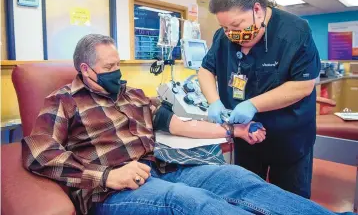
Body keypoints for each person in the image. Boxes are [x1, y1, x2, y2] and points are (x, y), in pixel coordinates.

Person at [22, 34, 349, 215]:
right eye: (109, 67)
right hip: (112, 190)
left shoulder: (132, 94)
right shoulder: (64, 101)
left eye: (118, 64)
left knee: (235, 176)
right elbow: (41, 154)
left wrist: (231, 130)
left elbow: (178, 124)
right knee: (192, 203)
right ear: (86, 69)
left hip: (163, 167)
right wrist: (108, 175)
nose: (117, 73)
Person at [198, 0, 321, 199]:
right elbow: (206, 70)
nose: (231, 34)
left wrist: (253, 104)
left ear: (256, 10)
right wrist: (213, 101)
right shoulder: (222, 36)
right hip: (245, 135)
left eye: (236, 26)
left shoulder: (295, 32)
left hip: (288, 136)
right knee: (246, 196)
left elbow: (303, 85)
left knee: (290, 201)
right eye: (225, 28)